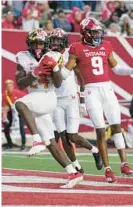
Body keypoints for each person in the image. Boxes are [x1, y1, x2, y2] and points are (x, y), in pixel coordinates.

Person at [42, 17, 133, 183]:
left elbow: (117, 68)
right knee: (100, 129)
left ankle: (124, 163)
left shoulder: (106, 45)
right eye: (94, 32)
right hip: (91, 91)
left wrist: (131, 69)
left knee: (116, 126)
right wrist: (55, 70)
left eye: (99, 31)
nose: (98, 34)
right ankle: (107, 169)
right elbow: (66, 72)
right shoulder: (76, 47)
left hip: (107, 88)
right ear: (86, 33)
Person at [15, 28, 83, 188]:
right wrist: (34, 73)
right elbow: (20, 83)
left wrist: (55, 69)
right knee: (51, 142)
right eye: (35, 43)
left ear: (46, 44)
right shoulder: (22, 56)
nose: (38, 46)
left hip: (47, 95)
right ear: (29, 44)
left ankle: (35, 139)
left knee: (19, 104)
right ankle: (73, 172)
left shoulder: (55, 55)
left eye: (41, 43)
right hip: (35, 98)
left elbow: (58, 83)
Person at [50, 28, 103, 173]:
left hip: (72, 98)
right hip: (56, 100)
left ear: (63, 41)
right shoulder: (47, 55)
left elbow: (81, 77)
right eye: (52, 40)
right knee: (62, 136)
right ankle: (77, 166)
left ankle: (95, 150)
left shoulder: (70, 53)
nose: (54, 43)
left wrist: (82, 101)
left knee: (72, 136)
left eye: (57, 40)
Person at [2, 80, 26, 150]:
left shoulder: (17, 93)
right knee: (6, 128)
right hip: (11, 111)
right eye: (7, 86)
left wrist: (21, 109)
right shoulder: (5, 95)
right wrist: (5, 117)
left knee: (22, 128)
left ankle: (23, 145)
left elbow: (26, 99)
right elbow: (5, 107)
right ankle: (10, 144)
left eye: (10, 86)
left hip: (20, 110)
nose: (9, 88)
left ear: (13, 86)